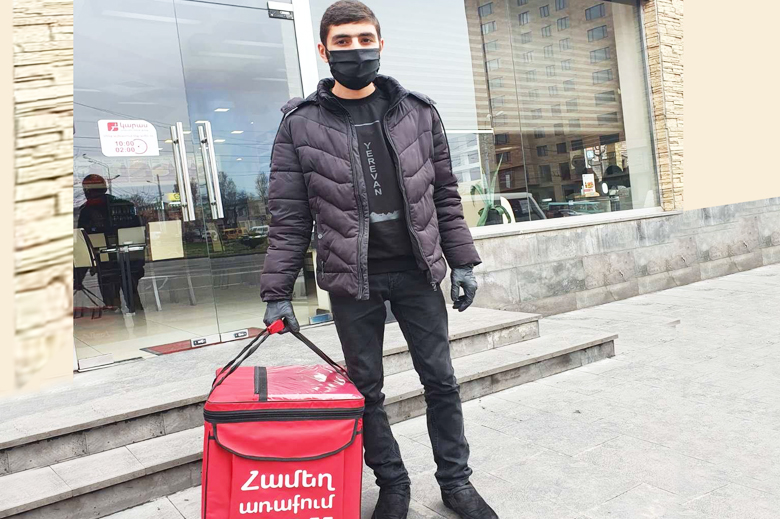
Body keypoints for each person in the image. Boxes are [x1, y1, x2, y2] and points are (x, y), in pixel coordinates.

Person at [260, 2, 498, 518]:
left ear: (381, 44)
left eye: (364, 39)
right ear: (323, 50)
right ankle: (393, 484)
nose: (356, 50)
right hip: (353, 278)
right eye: (342, 42)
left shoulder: (419, 112)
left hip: (417, 271)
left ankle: (456, 483)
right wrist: (277, 292)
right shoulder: (300, 124)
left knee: (441, 381)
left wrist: (462, 262)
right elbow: (289, 216)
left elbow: (445, 196)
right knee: (366, 389)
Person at [77, 173, 145, 314]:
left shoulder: (87, 211)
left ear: (87, 191)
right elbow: (138, 235)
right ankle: (140, 323)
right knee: (133, 297)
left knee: (112, 304)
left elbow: (83, 245)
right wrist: (138, 262)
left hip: (106, 264)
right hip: (129, 261)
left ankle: (118, 322)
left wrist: (78, 277)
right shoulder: (126, 205)